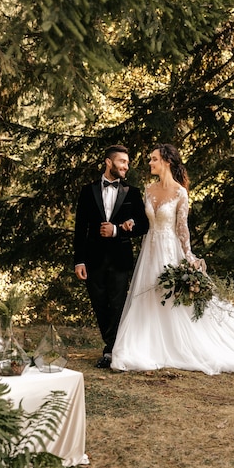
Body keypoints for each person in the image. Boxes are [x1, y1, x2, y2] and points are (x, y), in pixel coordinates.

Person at [111, 143, 234, 375]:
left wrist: (189, 256)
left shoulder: (181, 193)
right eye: (150, 159)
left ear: (167, 162)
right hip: (149, 250)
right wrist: (130, 222)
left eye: (154, 159)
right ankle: (146, 344)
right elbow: (142, 221)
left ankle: (175, 343)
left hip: (170, 249)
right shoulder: (148, 190)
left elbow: (182, 229)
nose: (149, 163)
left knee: (171, 296)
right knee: (148, 294)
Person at [74, 145, 149, 368]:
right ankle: (112, 344)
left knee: (117, 304)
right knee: (99, 304)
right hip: (93, 258)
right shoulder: (88, 191)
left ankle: (111, 350)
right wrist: (79, 260)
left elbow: (144, 225)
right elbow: (80, 229)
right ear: (109, 162)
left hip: (120, 258)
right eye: (122, 162)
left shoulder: (132, 193)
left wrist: (117, 229)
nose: (126, 166)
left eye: (127, 163)